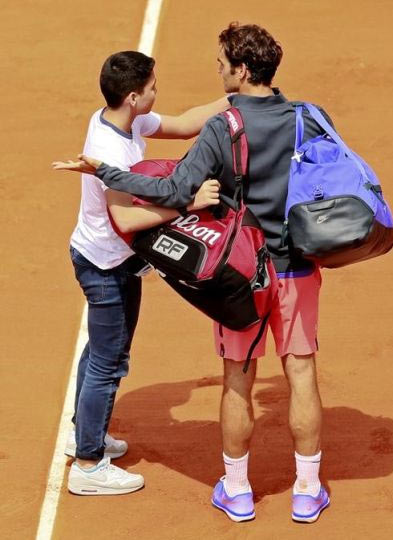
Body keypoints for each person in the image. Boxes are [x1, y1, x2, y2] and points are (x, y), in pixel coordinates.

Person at [54, 25, 332, 521]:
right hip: (296, 268)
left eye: (223, 63)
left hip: (242, 273)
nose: (217, 70)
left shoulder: (220, 130)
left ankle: (238, 489)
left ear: (242, 70)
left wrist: (106, 172)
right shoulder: (308, 117)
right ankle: (308, 490)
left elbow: (177, 185)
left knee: (236, 379)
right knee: (302, 373)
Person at [54, 50, 226, 496]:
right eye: (152, 86)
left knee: (99, 355)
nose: (157, 91)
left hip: (109, 260)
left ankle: (84, 434)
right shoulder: (111, 150)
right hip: (105, 267)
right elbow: (127, 221)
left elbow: (188, 123)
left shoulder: (121, 119)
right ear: (133, 96)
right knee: (109, 363)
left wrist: (238, 98)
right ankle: (88, 466)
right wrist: (188, 205)